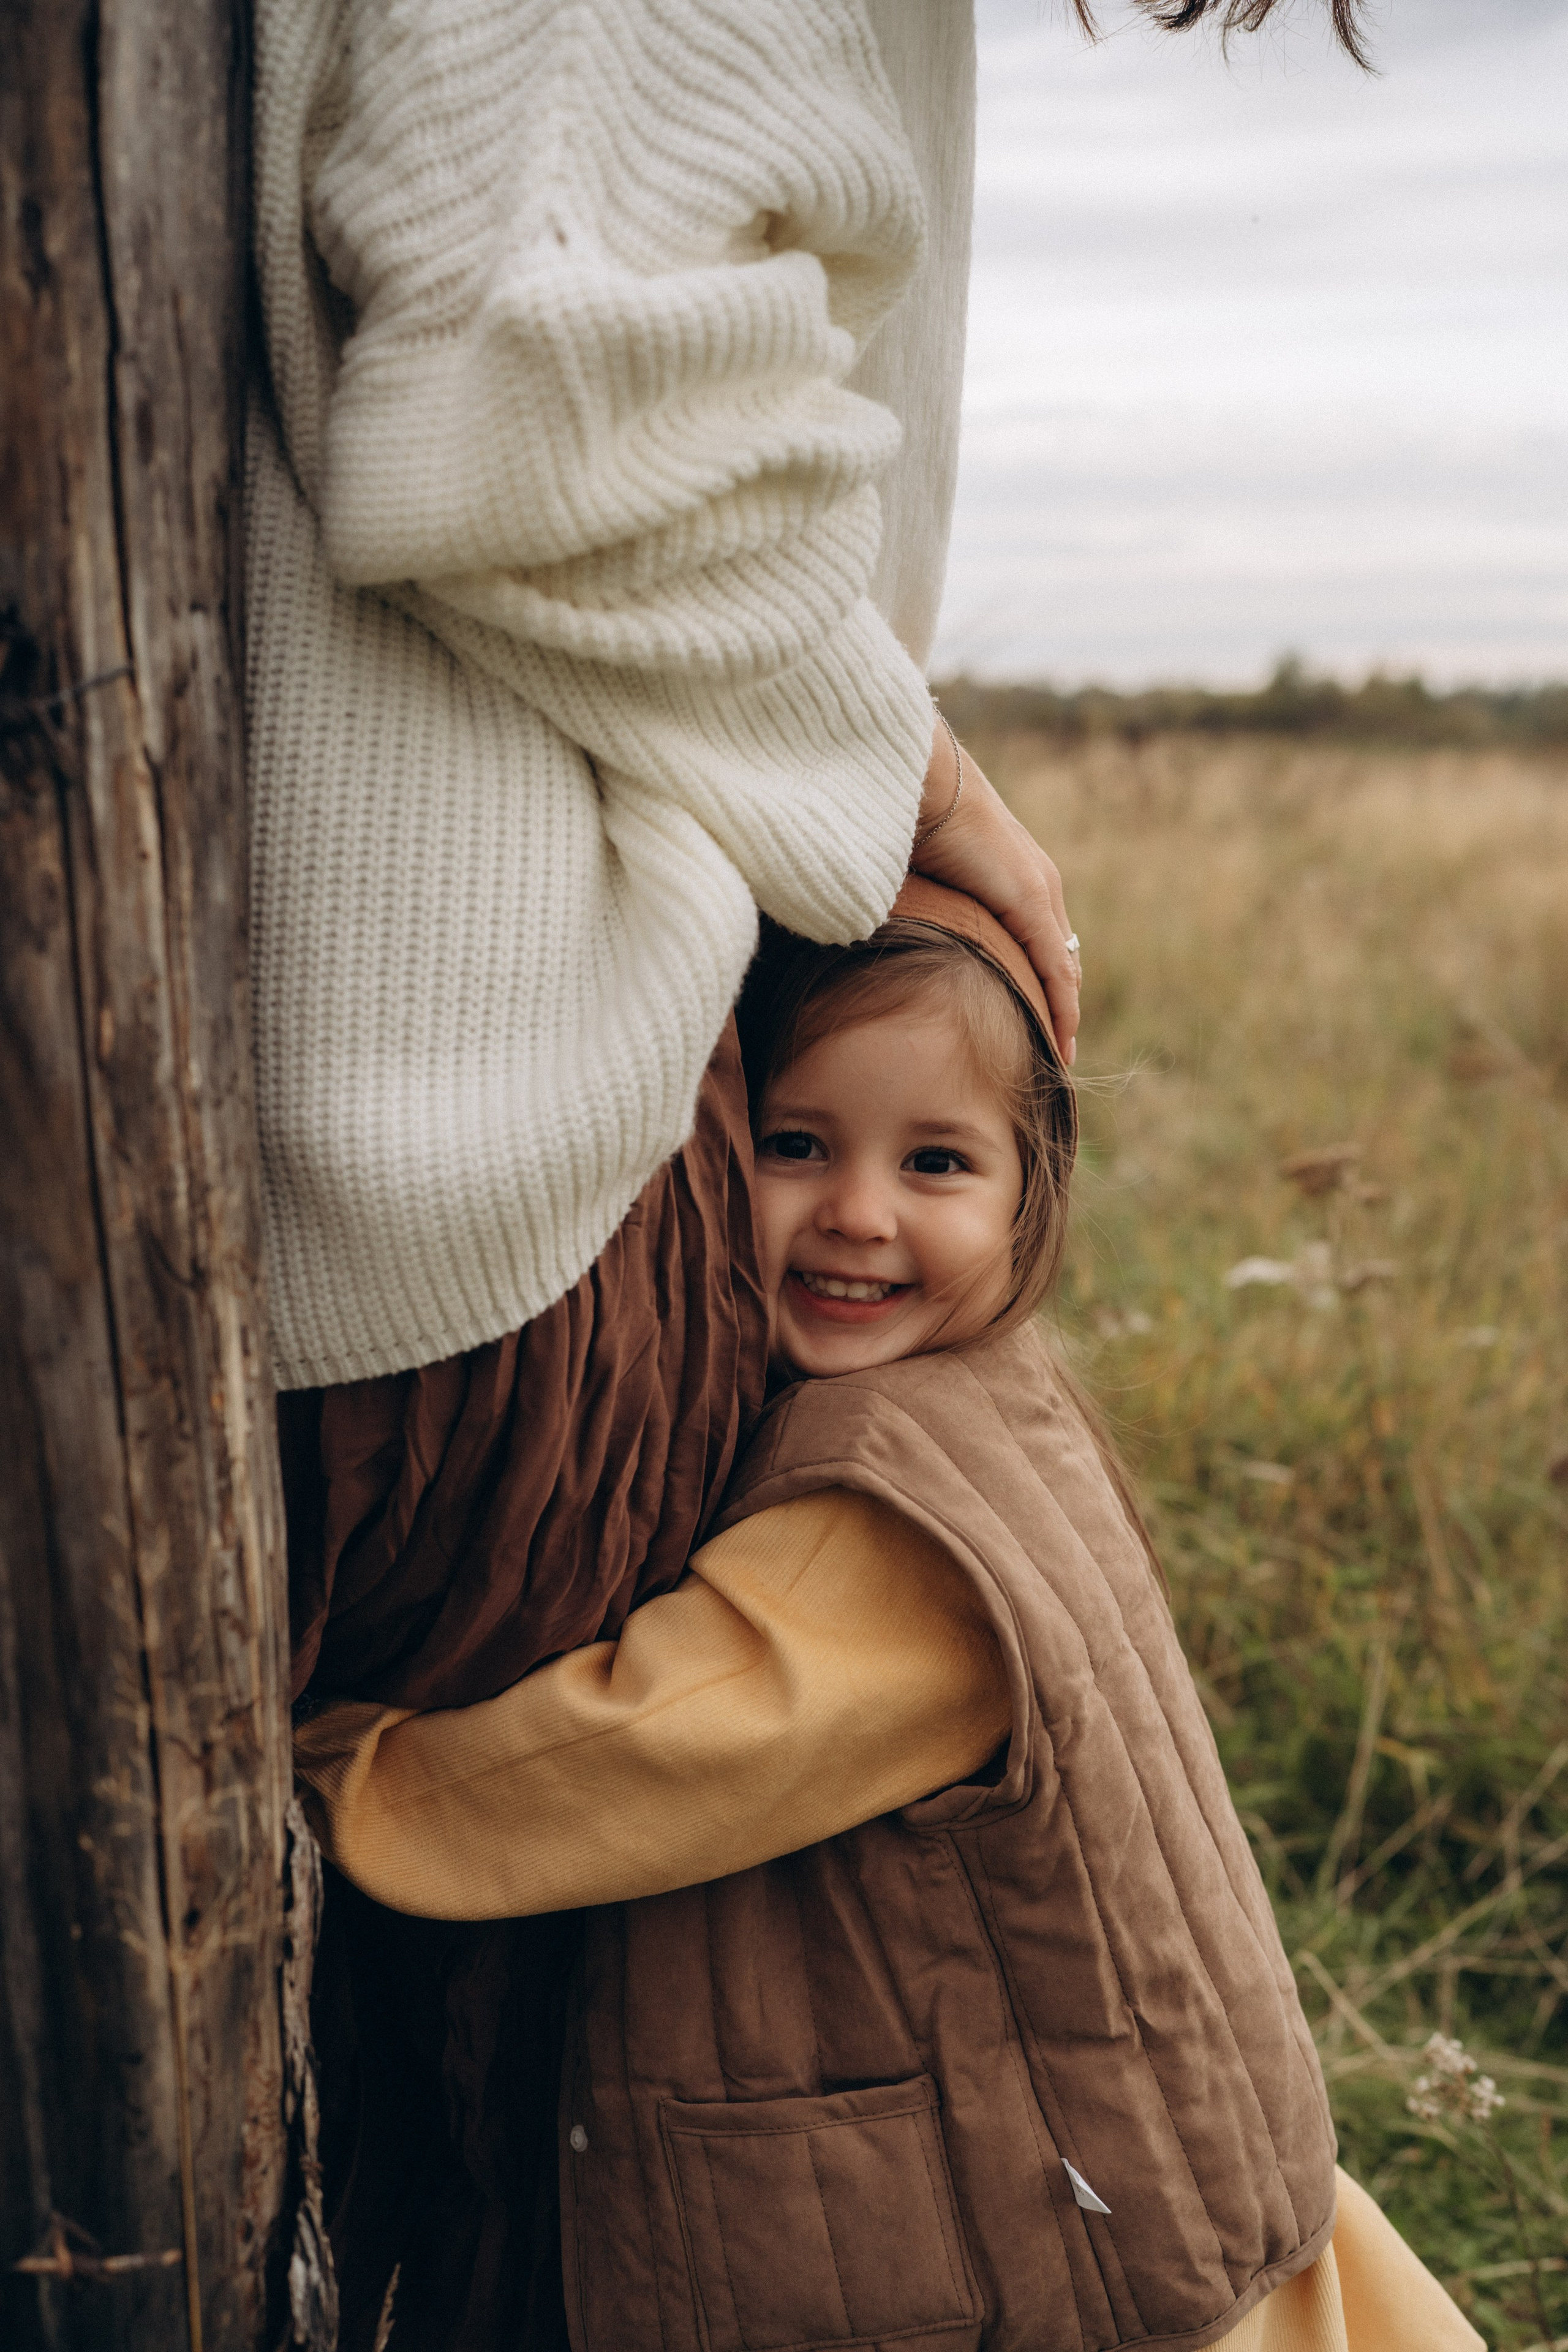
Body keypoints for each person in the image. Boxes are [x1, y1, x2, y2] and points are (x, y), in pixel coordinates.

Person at [298, 877, 1479, 2352]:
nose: (856, 1214)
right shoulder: (993, 1397)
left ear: (1028, 1198)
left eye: (934, 1162)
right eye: (795, 1145)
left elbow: (655, 1746)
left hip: (1060, 2235)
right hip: (1135, 2147)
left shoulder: (884, 1529)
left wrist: (342, 1772)